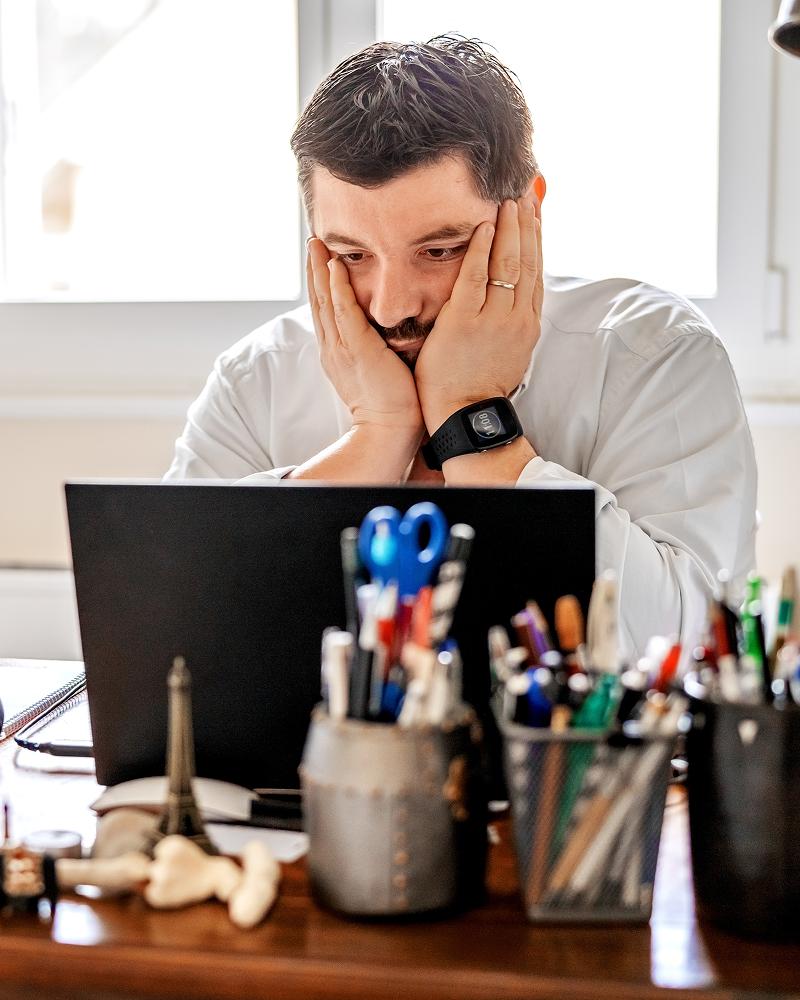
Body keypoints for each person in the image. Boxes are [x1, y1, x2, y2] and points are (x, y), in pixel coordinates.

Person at [164, 36, 757, 658]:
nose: (392, 307)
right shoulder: (254, 380)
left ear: (527, 211)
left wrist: (471, 418)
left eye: (440, 250)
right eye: (350, 255)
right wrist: (379, 437)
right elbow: (172, 635)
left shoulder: (656, 356)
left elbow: (687, 645)